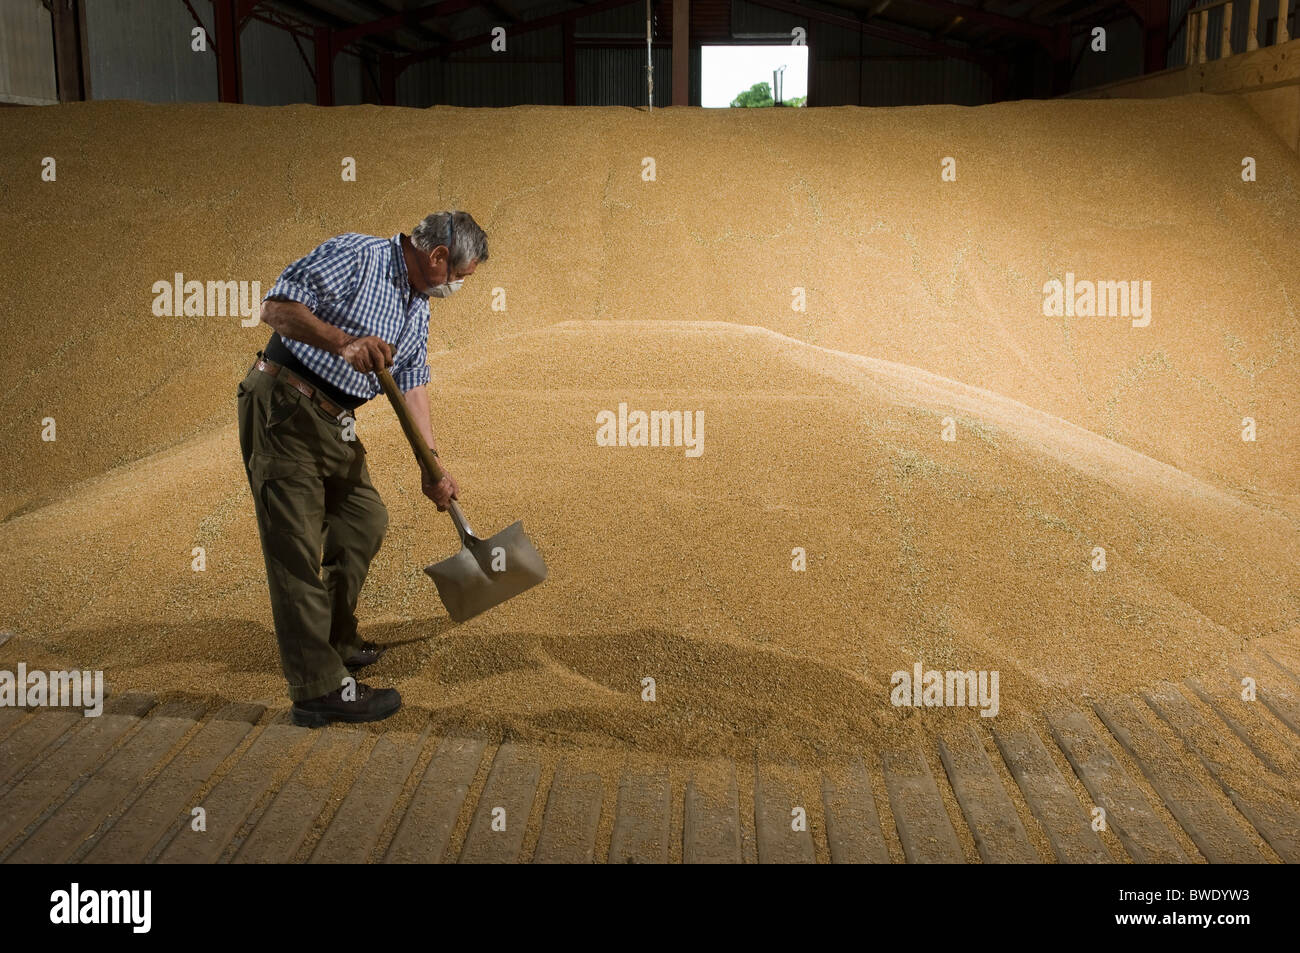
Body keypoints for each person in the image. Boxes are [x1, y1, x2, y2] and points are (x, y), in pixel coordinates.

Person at [236, 210, 487, 726]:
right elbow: (275, 308)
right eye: (460, 277)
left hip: (336, 421)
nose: (457, 288)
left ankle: (333, 639)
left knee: (363, 519)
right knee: (296, 549)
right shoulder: (359, 255)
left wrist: (431, 465)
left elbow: (413, 382)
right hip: (284, 402)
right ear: (438, 257)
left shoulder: (418, 308)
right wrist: (343, 342)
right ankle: (318, 689)